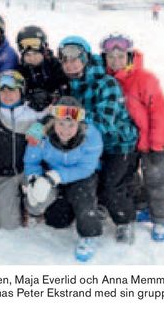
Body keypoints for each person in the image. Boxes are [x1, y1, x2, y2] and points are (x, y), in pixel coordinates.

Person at [57, 36, 138, 242]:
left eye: (75, 59)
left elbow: (103, 123)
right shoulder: (68, 84)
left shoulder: (106, 83)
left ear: (85, 59)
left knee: (112, 187)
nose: (70, 64)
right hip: (89, 145)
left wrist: (72, 115)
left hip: (117, 144)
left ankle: (124, 220)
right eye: (65, 60)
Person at [101, 33, 164, 241]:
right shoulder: (106, 80)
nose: (116, 61)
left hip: (152, 141)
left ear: (130, 56)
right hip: (128, 143)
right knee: (131, 178)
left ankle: (161, 218)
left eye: (120, 56)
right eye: (111, 57)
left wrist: (157, 142)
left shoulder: (144, 79)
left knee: (156, 178)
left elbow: (158, 111)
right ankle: (143, 207)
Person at [23, 97, 104, 262]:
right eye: (61, 124)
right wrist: (34, 179)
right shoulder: (41, 134)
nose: (65, 130)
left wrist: (56, 176)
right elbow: (31, 161)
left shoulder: (91, 136)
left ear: (79, 125)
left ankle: (89, 234)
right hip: (54, 177)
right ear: (53, 122)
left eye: (71, 125)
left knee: (83, 199)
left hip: (82, 176)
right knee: (57, 221)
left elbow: (86, 168)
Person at [0, 70, 43, 230]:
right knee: (6, 225)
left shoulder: (33, 112)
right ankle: (14, 200)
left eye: (12, 90)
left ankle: (30, 207)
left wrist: (43, 125)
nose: (7, 95)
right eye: (3, 90)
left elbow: (55, 115)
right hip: (2, 173)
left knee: (44, 197)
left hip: (28, 170)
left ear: (21, 91)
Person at [16, 24, 69, 110]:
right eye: (28, 55)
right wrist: (29, 96)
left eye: (36, 54)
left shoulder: (54, 65)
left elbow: (64, 86)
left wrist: (51, 96)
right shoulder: (21, 70)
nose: (32, 58)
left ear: (44, 51)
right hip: (29, 111)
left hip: (55, 109)